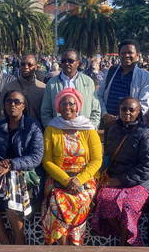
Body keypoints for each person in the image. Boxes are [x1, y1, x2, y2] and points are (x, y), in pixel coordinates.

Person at [91, 97, 149, 246]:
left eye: (132, 110)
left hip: (142, 182)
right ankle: (130, 239)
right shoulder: (113, 129)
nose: (127, 112)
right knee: (103, 199)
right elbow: (108, 156)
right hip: (117, 177)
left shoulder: (145, 133)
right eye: (124, 109)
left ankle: (124, 245)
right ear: (119, 110)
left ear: (138, 112)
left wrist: (121, 180)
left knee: (127, 205)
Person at [41, 88, 102, 245]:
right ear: (58, 107)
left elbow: (96, 160)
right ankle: (63, 247)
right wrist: (67, 180)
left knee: (80, 200)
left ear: (78, 106)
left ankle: (75, 245)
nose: (68, 107)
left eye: (71, 103)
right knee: (57, 201)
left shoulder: (88, 128)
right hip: (58, 177)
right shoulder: (52, 128)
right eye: (64, 103)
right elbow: (47, 161)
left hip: (85, 178)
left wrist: (79, 180)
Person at [0, 90, 44, 245]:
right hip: (2, 171)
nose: (12, 105)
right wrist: (0, 162)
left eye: (17, 102)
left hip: (26, 173)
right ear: (4, 105)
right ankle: (5, 242)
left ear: (24, 106)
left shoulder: (32, 126)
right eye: (9, 101)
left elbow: (36, 157)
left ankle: (19, 238)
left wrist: (11, 165)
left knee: (11, 193)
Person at [97, 40, 149, 128]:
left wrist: (118, 118)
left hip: (130, 127)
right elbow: (99, 96)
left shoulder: (145, 77)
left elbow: (143, 106)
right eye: (123, 53)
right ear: (119, 55)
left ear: (138, 55)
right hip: (108, 124)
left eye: (130, 53)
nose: (126, 56)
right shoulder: (110, 72)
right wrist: (104, 114)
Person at [41, 49, 101, 128]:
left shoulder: (88, 82)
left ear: (78, 63)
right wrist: (52, 130)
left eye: (70, 61)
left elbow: (96, 110)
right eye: (63, 61)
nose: (67, 63)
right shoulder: (51, 84)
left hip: (83, 133)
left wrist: (90, 129)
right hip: (59, 133)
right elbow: (45, 111)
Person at [0, 54, 46, 125]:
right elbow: (2, 112)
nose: (26, 67)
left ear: (35, 67)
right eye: (23, 64)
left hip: (37, 129)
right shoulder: (9, 87)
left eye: (29, 65)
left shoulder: (43, 88)